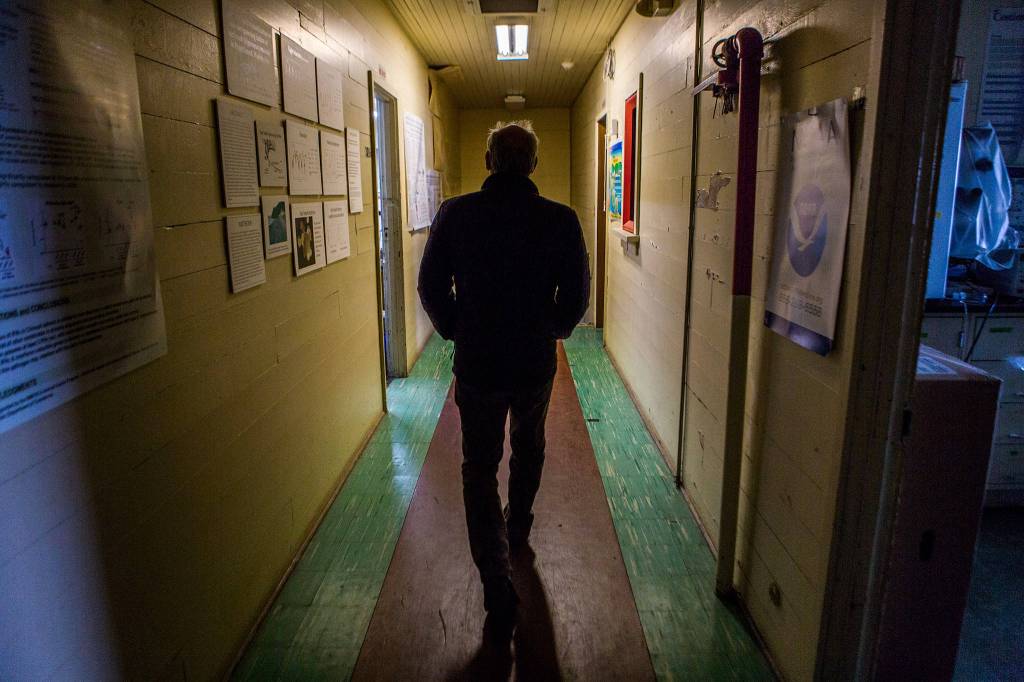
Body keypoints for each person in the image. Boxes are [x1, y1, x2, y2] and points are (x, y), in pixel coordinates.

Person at [418, 121, 590, 618]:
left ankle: (495, 575)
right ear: (534, 164)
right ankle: (518, 531)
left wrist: (457, 329)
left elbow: (431, 286)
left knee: (479, 466)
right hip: (533, 362)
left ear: (488, 160)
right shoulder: (560, 220)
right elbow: (576, 296)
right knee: (529, 446)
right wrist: (551, 329)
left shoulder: (457, 215)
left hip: (479, 364)